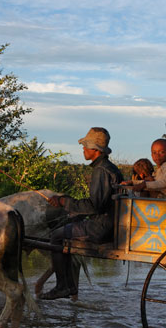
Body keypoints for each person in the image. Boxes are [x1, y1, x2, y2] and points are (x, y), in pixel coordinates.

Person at [40, 127, 123, 300]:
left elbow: (95, 206)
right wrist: (73, 208)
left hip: (100, 228)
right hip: (110, 223)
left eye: (86, 146)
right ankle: (70, 286)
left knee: (56, 237)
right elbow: (101, 203)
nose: (83, 149)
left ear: (95, 150)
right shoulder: (110, 168)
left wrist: (64, 202)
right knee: (66, 228)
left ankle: (63, 286)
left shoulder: (101, 171)